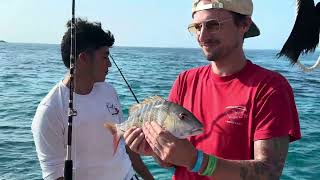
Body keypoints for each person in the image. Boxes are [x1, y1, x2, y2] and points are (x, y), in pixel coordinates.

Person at [124, 0, 302, 179]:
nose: (202, 36)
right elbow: (174, 160)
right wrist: (156, 150)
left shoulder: (270, 88)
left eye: (212, 25)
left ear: (244, 24)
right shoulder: (185, 80)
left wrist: (197, 160)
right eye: (197, 27)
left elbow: (269, 172)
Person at [31, 18, 153, 180]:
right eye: (104, 57)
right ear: (84, 59)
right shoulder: (50, 110)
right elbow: (54, 175)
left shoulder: (109, 91)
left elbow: (125, 145)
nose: (109, 64)